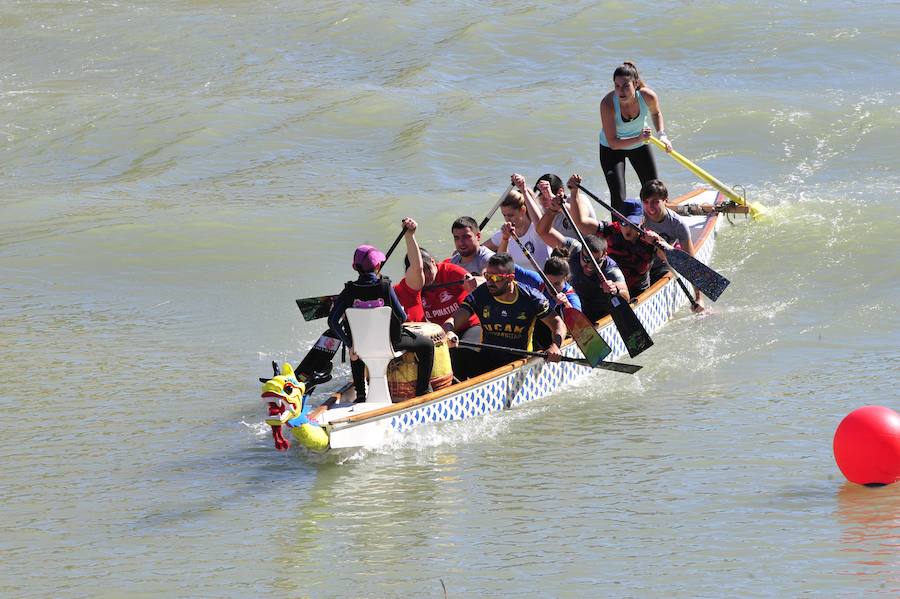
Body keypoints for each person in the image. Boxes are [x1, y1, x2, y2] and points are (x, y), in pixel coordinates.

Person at [327, 241, 434, 401]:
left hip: (361, 346)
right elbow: (402, 317)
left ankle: (361, 395)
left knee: (356, 345)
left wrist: (350, 344)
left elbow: (332, 322)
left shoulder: (349, 291)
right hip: (391, 343)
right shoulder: (385, 286)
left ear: (355, 267)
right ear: (378, 266)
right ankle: (422, 392)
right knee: (427, 345)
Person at [444, 253, 565, 379]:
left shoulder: (531, 297)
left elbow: (558, 323)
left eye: (496, 278)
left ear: (511, 278)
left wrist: (556, 345)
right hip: (487, 359)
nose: (490, 282)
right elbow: (452, 321)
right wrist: (449, 332)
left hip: (519, 362)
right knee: (454, 355)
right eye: (488, 276)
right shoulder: (480, 294)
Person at [539, 175, 661, 297]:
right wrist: (574, 192)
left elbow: (667, 259)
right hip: (605, 290)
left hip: (638, 292)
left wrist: (659, 243)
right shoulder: (610, 230)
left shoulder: (650, 240)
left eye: (633, 224)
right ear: (618, 221)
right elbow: (580, 222)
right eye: (623, 223)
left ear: (642, 220)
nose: (628, 228)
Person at [598, 61, 673, 212]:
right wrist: (639, 138)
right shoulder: (607, 104)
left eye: (626, 86)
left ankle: (654, 226)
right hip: (611, 149)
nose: (621, 91)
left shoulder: (648, 96)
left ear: (636, 83)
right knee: (618, 195)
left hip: (639, 145)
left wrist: (662, 135)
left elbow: (656, 113)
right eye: (617, 86)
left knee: (653, 190)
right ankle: (618, 233)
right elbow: (613, 143)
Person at [394, 245, 481, 345]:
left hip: (470, 326)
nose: (425, 276)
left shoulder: (450, 271)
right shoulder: (412, 285)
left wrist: (473, 283)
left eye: (427, 269)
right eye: (420, 272)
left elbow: (476, 284)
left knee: (465, 351)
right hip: (442, 332)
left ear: (433, 262)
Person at [639, 179, 703, 311]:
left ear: (665, 201)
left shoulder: (678, 224)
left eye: (655, 202)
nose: (650, 208)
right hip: (641, 264)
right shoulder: (639, 219)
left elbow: (691, 262)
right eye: (646, 202)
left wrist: (698, 298)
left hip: (663, 265)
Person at [484, 174, 553, 270]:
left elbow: (539, 223)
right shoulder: (505, 233)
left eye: (511, 215)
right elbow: (480, 249)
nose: (507, 219)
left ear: (523, 210)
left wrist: (523, 189)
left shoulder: (536, 229)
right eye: (504, 215)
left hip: (542, 282)